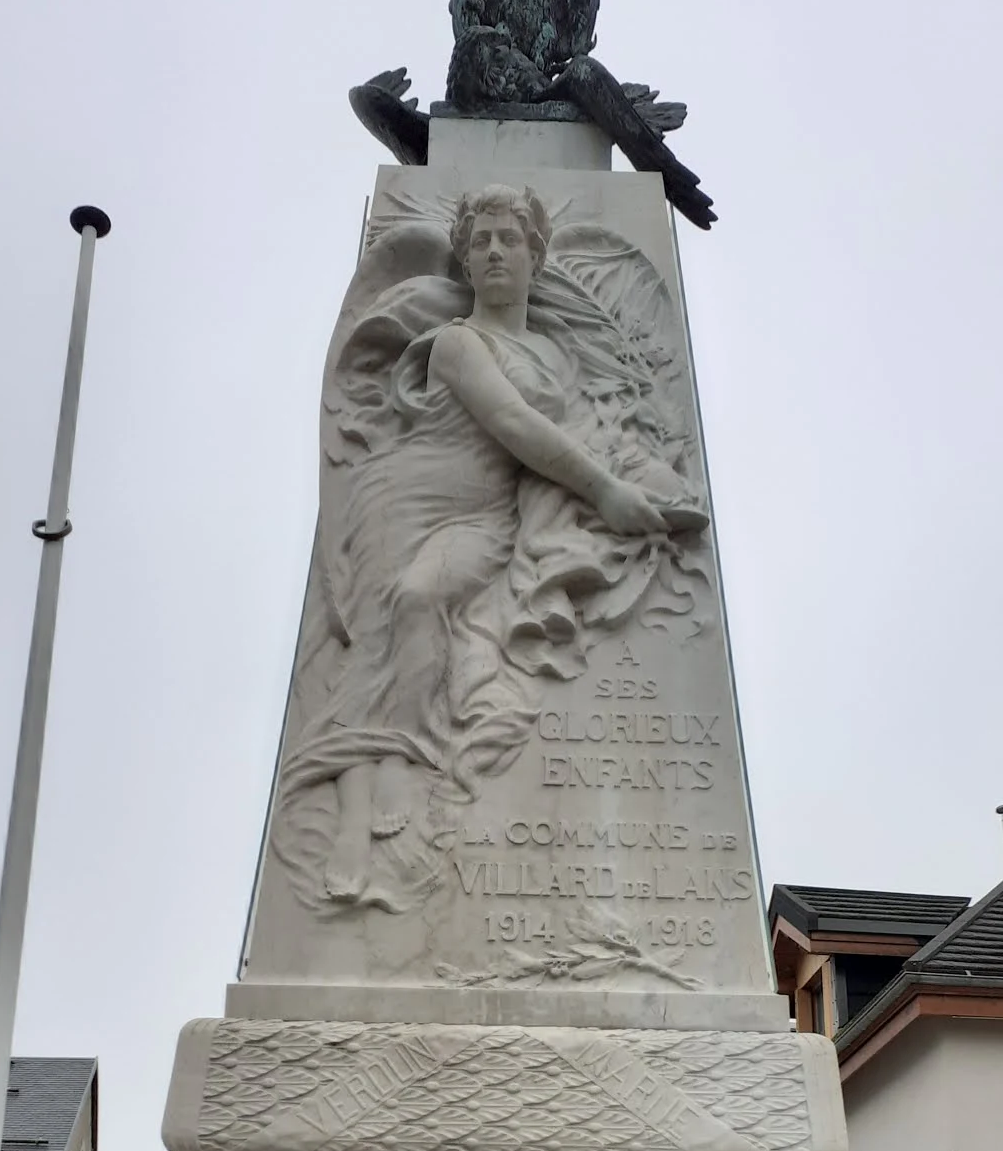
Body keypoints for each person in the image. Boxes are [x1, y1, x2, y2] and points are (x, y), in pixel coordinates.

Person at [280, 185, 707, 910]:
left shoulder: (553, 355)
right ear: (466, 262)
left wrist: (655, 485)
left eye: (510, 239)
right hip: (400, 498)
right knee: (383, 630)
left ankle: (395, 767)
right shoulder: (455, 342)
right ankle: (357, 815)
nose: (496, 251)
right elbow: (511, 421)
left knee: (421, 600)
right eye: (481, 242)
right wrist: (604, 491)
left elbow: (582, 432)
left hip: (484, 517)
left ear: (538, 256)